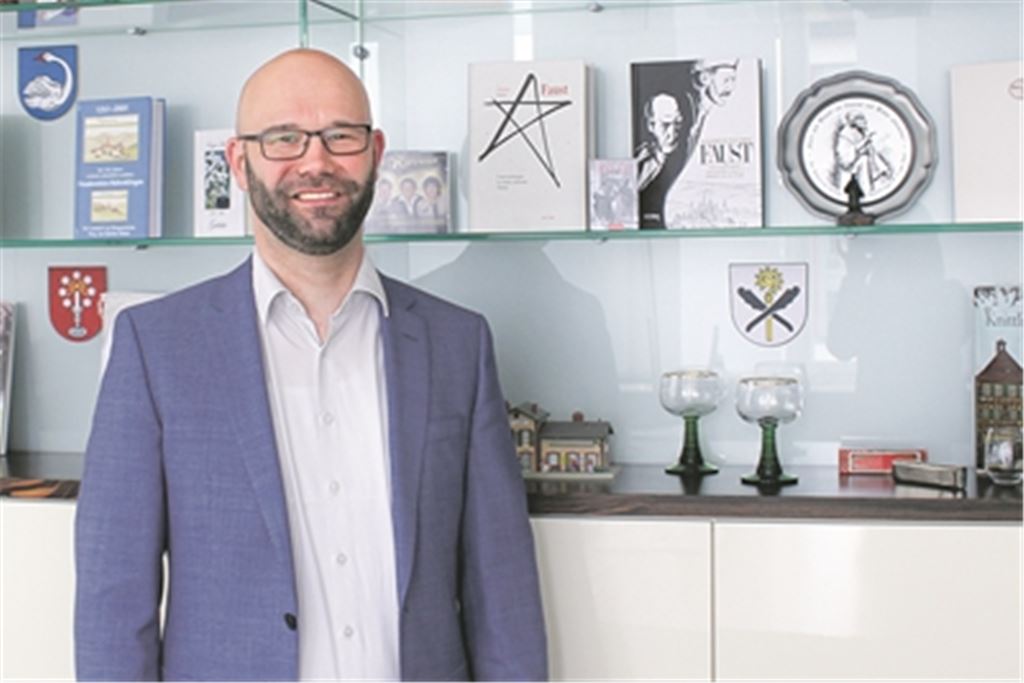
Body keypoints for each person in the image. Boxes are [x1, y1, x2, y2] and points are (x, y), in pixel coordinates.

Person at [74, 48, 547, 682]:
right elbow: (113, 599)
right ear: (239, 163)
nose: (316, 161)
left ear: (376, 152)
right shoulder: (154, 348)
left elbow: (503, 590)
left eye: (340, 136)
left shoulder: (458, 344)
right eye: (283, 139)